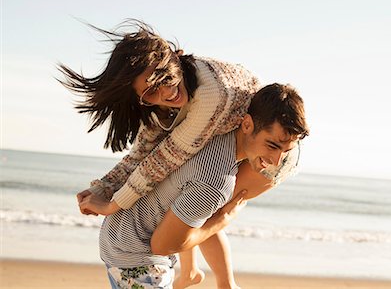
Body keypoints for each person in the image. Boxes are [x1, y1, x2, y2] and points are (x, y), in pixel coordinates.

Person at [58, 19, 309, 288]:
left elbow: (163, 161)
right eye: (150, 91)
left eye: (165, 78)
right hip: (247, 134)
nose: (166, 92)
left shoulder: (212, 96)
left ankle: (224, 283)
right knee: (195, 202)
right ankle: (193, 272)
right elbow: (143, 155)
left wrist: (113, 204)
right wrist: (104, 188)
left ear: (174, 59)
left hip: (269, 138)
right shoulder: (167, 107)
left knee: (210, 206)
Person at [98, 83, 309, 289]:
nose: (276, 160)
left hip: (118, 235)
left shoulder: (212, 129)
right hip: (136, 258)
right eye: (272, 145)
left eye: (286, 151)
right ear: (246, 124)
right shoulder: (216, 182)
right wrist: (220, 221)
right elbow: (163, 246)